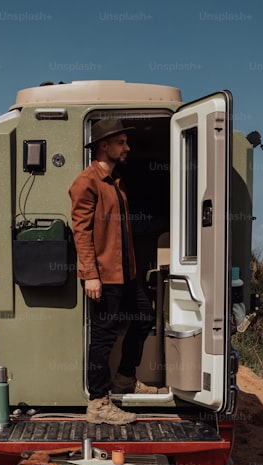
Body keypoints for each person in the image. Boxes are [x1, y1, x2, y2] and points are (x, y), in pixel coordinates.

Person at [69, 118, 161, 425]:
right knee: (103, 338)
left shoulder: (117, 182)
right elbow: (80, 232)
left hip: (126, 273)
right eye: (121, 142)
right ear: (104, 145)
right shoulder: (86, 182)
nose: (127, 147)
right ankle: (98, 403)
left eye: (126, 142)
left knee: (145, 317)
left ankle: (124, 379)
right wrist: (90, 274)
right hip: (104, 275)